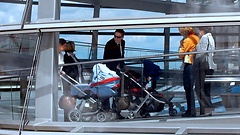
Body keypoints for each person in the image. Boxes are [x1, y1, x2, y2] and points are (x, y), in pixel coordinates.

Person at [193, 26, 217, 115]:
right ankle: (208, 108)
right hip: (210, 66)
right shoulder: (211, 38)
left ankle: (205, 107)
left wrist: (195, 49)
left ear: (202, 30)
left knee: (198, 88)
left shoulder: (204, 37)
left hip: (203, 66)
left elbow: (201, 52)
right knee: (207, 88)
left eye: (199, 31)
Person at [178, 27, 199, 117]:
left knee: (188, 87)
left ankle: (190, 110)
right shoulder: (195, 38)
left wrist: (181, 44)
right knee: (190, 87)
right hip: (194, 64)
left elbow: (180, 54)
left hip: (189, 64)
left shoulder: (187, 40)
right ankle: (191, 110)